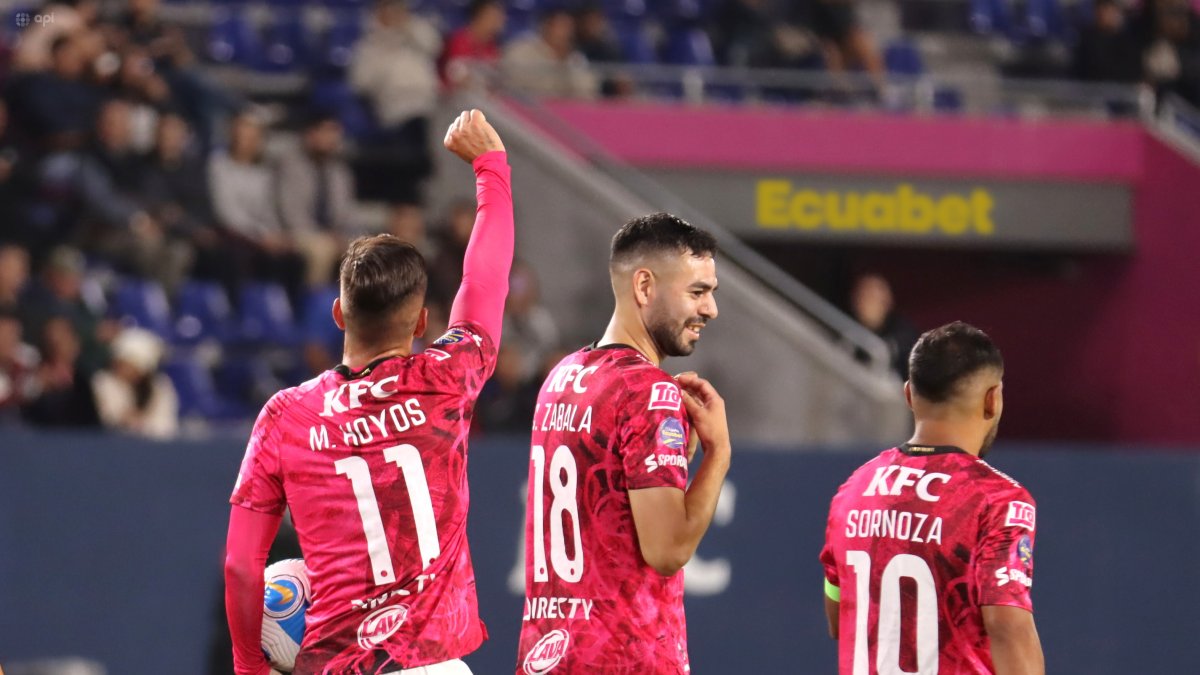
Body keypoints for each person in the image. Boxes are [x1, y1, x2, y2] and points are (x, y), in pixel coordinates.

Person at [224, 109, 512, 674]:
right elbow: (486, 279)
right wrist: (491, 168)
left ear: (337, 314)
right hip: (433, 663)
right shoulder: (448, 379)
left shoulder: (286, 416)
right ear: (422, 322)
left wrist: (248, 666)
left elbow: (241, 565)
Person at [516, 213, 730, 673]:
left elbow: (606, 504)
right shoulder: (648, 392)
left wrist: (676, 458)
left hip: (548, 656)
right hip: (621, 658)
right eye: (698, 292)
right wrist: (719, 454)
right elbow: (668, 551)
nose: (711, 309)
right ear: (645, 287)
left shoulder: (563, 375)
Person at [819, 322, 1044, 674]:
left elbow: (839, 616)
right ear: (992, 399)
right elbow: (1008, 627)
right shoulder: (998, 500)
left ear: (908, 395)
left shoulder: (854, 489)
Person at [274, 111, 358, 287]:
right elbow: (290, 213)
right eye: (326, 132)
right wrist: (324, 237)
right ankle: (314, 308)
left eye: (334, 132)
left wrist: (341, 235)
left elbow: (345, 213)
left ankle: (355, 310)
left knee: (365, 252)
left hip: (331, 234)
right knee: (322, 251)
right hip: (296, 232)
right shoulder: (291, 167)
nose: (331, 138)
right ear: (310, 134)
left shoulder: (340, 173)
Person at [91, 326, 179, 439]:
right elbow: (110, 419)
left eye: (128, 364)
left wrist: (141, 424)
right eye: (119, 361)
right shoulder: (103, 383)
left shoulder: (160, 386)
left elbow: (165, 426)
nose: (120, 367)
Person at [501, 8, 599, 99]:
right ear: (546, 27)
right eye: (561, 27)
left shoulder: (575, 57)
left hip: (567, 110)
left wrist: (564, 62)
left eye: (569, 28)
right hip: (526, 107)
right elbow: (514, 82)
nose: (566, 33)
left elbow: (588, 89)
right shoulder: (521, 50)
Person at [849, 273, 919, 379]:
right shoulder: (845, 330)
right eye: (863, 296)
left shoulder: (905, 333)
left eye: (873, 297)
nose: (866, 303)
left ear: (887, 301)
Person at [439, 0, 507, 89]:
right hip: (453, 96)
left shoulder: (492, 46)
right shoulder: (460, 40)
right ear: (479, 16)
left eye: (499, 18)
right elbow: (458, 77)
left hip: (479, 96)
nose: (498, 22)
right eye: (494, 17)